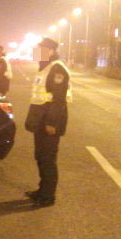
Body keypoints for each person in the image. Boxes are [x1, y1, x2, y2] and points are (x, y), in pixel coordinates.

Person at [24, 37, 71, 206]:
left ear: (50, 51)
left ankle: (48, 196)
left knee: (48, 158)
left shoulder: (57, 69)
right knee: (40, 156)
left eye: (41, 49)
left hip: (49, 122)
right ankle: (42, 190)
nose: (37, 52)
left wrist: (51, 123)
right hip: (40, 120)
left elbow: (59, 99)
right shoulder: (45, 67)